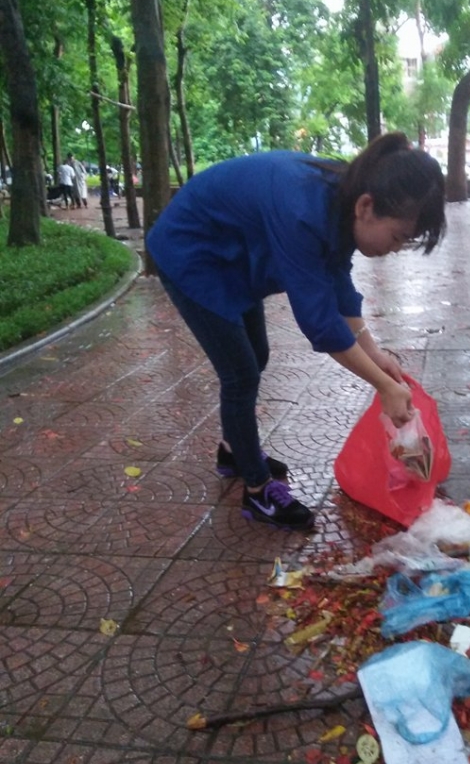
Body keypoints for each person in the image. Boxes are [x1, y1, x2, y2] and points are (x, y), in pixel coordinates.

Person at [146, 132, 446, 532]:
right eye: (397, 238)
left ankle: (234, 451)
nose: (394, 249)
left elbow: (337, 281)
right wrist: (383, 386)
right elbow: (320, 322)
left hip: (233, 253)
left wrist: (375, 354)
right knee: (240, 373)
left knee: (257, 357)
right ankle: (256, 490)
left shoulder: (345, 196)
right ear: (367, 208)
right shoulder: (303, 207)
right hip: (191, 254)